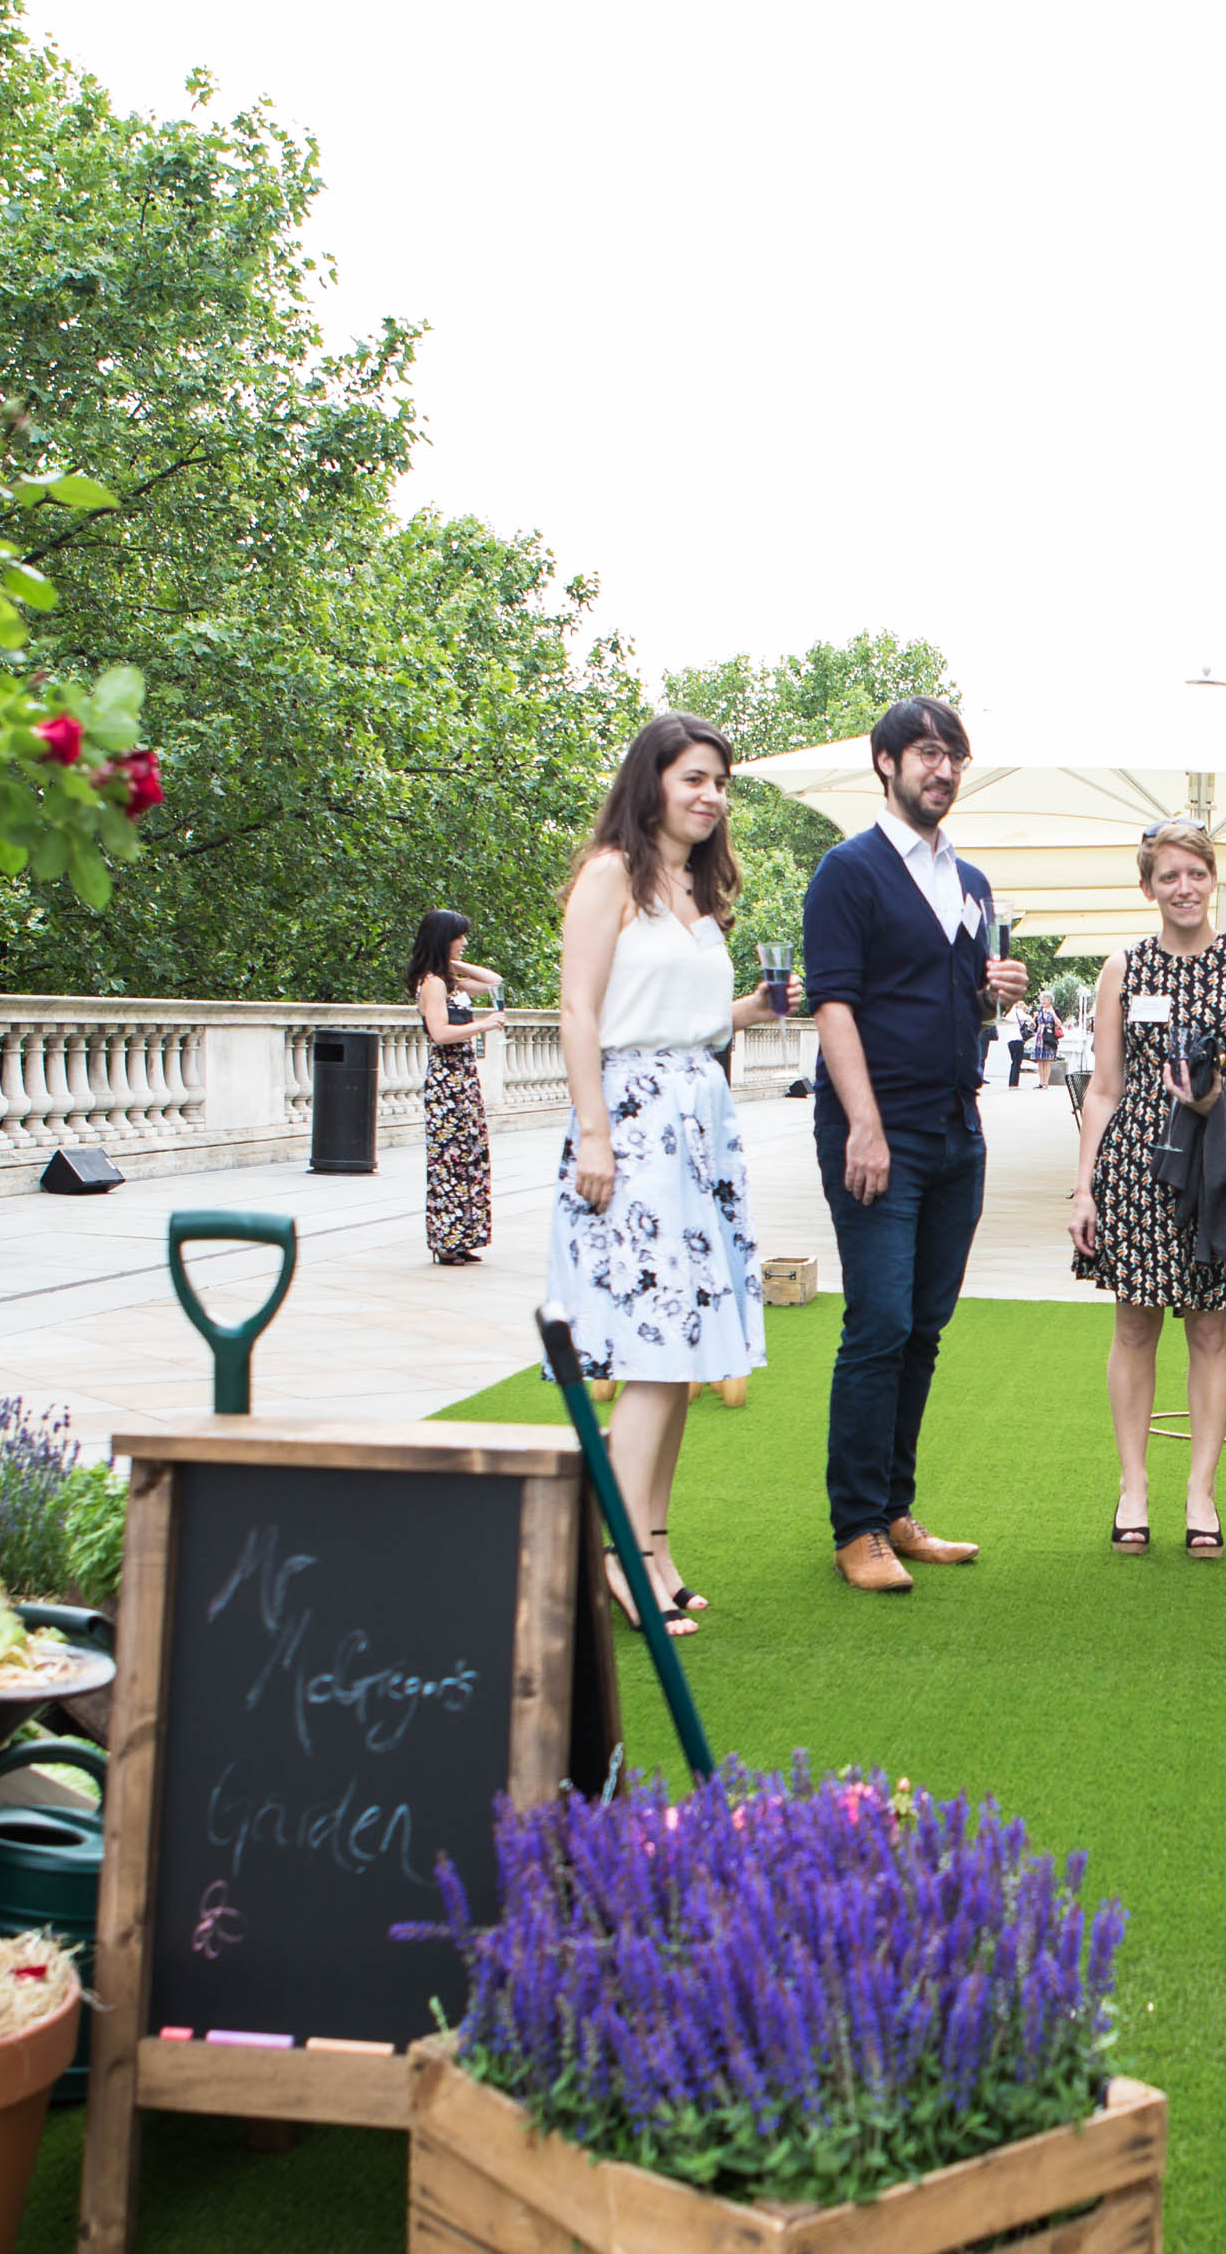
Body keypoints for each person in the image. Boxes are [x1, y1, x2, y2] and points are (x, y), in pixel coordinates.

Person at [550, 712, 785, 1635]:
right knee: (652, 1345)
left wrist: (750, 1009)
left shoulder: (694, 888)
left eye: (719, 782)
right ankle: (617, 1554)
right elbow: (579, 1010)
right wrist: (595, 1135)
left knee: (684, 1347)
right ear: (650, 781)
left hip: (700, 1127)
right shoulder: (609, 873)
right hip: (634, 1123)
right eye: (694, 777)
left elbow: (688, 1015)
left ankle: (653, 1545)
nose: (710, 796)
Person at [802, 696, 1026, 1592]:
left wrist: (994, 994)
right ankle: (856, 1526)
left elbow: (960, 1004)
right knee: (880, 1324)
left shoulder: (969, 880)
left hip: (956, 1127)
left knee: (924, 1327)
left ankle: (894, 1509)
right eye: (928, 753)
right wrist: (862, 1124)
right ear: (887, 764)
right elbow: (834, 1004)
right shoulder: (847, 871)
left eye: (954, 756)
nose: (943, 770)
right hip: (877, 1130)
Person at [1070, 823, 1226, 1555]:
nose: (1184, 887)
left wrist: (1218, 1099)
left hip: (1217, 1159)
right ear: (1147, 887)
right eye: (1169, 876)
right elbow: (1105, 1088)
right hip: (1137, 1162)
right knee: (1134, 1327)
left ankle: (1201, 1490)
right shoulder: (1122, 968)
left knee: (1209, 1328)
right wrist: (1084, 1188)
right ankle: (1133, 1485)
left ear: (1213, 879)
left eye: (1196, 872)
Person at [406, 910, 507, 1264]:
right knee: (448, 1159)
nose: (464, 942)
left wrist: (453, 962)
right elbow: (440, 1033)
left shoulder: (450, 981)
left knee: (468, 1155)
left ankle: (464, 1236)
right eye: (458, 937)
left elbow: (494, 981)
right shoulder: (433, 983)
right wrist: (483, 1025)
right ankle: (446, 1240)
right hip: (447, 1079)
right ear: (443, 938)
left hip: (463, 1076)